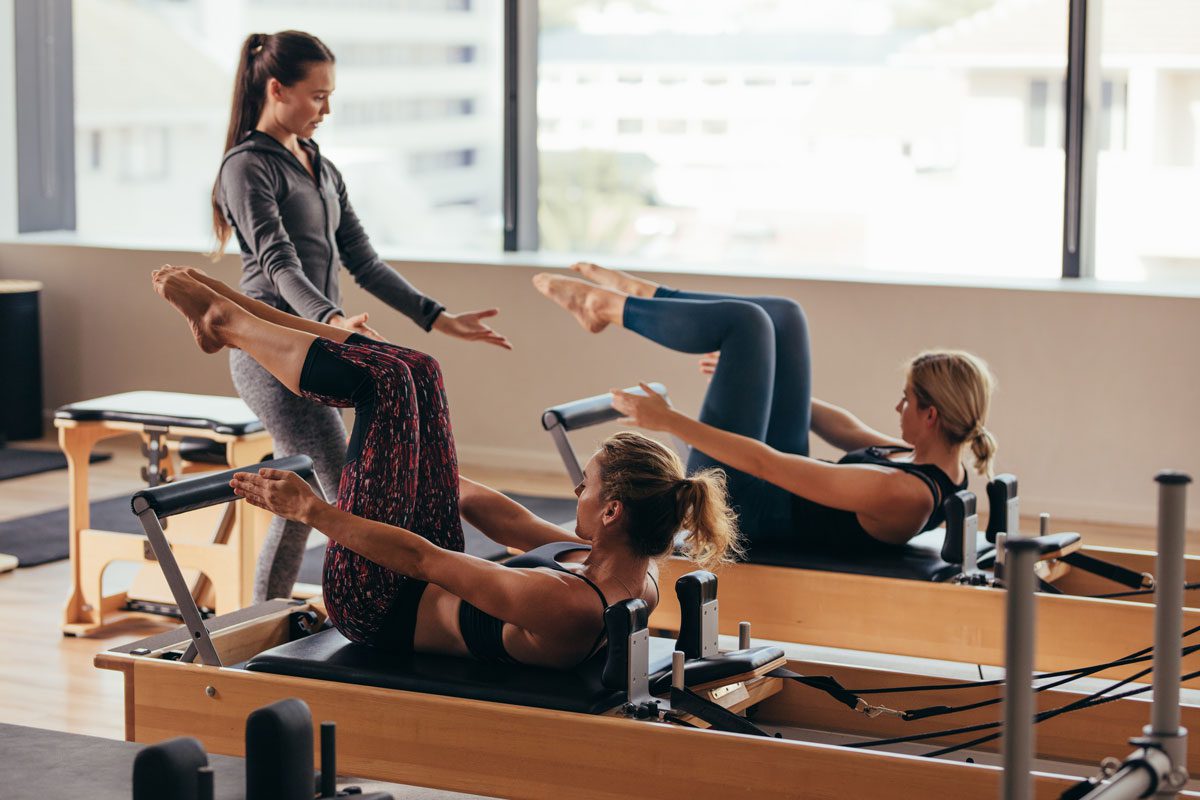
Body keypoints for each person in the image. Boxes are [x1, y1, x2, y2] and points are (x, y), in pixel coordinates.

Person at [151, 266, 741, 667]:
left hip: (375, 603)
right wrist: (411, 455)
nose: (576, 489)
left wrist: (313, 509)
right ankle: (236, 314)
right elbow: (503, 518)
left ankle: (227, 323)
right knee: (418, 373)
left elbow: (423, 558)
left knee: (381, 385)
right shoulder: (628, 570)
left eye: (584, 484)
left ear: (612, 511)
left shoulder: (569, 605)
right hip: (410, 573)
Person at [212, 30, 511, 602]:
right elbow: (279, 264)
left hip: (319, 343)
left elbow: (365, 262)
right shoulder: (247, 167)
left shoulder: (318, 164)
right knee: (343, 493)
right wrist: (330, 320)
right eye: (317, 95)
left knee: (305, 497)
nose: (327, 108)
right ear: (278, 88)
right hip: (270, 350)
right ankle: (385, 607)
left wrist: (439, 318)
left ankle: (263, 617)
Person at [533, 263, 997, 552]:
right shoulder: (934, 462)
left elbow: (765, 462)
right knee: (784, 316)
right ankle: (646, 296)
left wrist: (668, 420)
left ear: (932, 416)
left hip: (745, 510)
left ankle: (606, 306)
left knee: (747, 324)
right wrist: (757, 377)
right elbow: (847, 430)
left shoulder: (904, 495)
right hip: (772, 491)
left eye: (907, 400)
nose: (898, 407)